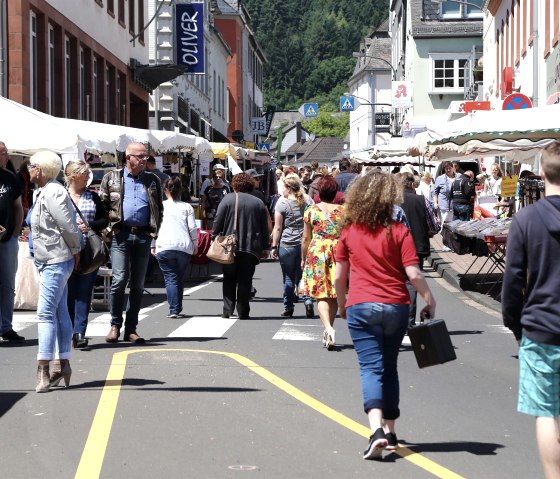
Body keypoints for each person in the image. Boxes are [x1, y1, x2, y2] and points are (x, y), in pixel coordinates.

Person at [334, 171, 436, 459]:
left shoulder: (350, 230)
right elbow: (413, 273)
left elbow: (340, 275)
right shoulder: (399, 231)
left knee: (370, 368)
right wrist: (430, 299)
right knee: (389, 367)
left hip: (361, 304)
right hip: (395, 305)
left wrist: (342, 303)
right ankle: (390, 431)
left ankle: (376, 430)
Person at [502, 141, 560, 479]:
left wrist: (514, 322)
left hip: (541, 325)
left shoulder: (525, 219)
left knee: (546, 410)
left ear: (541, 172)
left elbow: (512, 279)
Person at [28, 150, 82, 393]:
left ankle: (43, 368)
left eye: (30, 165)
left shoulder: (53, 191)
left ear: (39, 169)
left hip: (57, 259)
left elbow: (68, 226)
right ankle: (64, 363)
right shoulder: (41, 191)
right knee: (59, 310)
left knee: (45, 312)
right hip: (47, 258)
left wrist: (76, 249)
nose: (28, 169)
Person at [100, 142, 163, 344]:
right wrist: (109, 229)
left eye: (146, 156)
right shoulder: (112, 177)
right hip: (121, 235)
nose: (145, 160)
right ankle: (115, 325)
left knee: (137, 284)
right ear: (128, 158)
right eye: (141, 156)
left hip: (143, 235)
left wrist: (154, 233)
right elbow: (102, 206)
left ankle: (131, 329)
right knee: (119, 280)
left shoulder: (152, 179)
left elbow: (158, 208)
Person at [212, 173, 269, 319]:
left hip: (230, 246)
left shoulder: (228, 199)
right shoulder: (258, 202)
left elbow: (218, 220)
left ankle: (227, 310)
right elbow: (264, 227)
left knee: (229, 277)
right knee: (245, 279)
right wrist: (265, 247)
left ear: (234, 185)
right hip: (251, 247)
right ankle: (243, 311)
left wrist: (214, 235)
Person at [65, 160, 108, 349]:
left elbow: (105, 219)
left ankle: (79, 332)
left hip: (89, 250)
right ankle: (68, 330)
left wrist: (90, 226)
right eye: (84, 174)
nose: (87, 177)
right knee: (67, 292)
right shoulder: (61, 196)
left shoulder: (93, 196)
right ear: (73, 176)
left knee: (83, 292)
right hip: (65, 249)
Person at [301, 176, 344, 350]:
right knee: (333, 293)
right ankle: (329, 329)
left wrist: (303, 258)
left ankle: (328, 328)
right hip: (338, 250)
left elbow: (305, 238)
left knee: (320, 293)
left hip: (317, 252)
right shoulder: (344, 211)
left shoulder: (311, 210)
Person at [271, 173, 314, 318]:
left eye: (284, 187)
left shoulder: (282, 202)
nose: (282, 190)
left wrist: (274, 246)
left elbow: (277, 227)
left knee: (288, 277)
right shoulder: (308, 200)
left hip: (287, 244)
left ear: (288, 188)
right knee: (305, 276)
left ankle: (288, 306)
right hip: (306, 242)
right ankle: (308, 301)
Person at [154, 176, 198, 318]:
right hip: (184, 246)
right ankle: (176, 307)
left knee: (171, 278)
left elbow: (153, 227)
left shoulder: (159, 206)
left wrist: (152, 244)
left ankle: (174, 309)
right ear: (180, 190)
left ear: (165, 190)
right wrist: (195, 243)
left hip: (164, 245)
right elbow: (192, 228)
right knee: (179, 277)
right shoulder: (187, 207)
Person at [397, 172, 431, 327]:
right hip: (417, 247)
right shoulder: (421, 200)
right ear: (411, 185)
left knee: (396, 283)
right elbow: (434, 225)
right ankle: (408, 322)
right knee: (412, 284)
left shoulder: (391, 203)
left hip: (395, 248)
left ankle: (396, 320)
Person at [0, 141, 25, 343]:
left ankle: (6, 327)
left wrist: (16, 233)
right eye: (2, 153)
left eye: (6, 153)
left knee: (8, 285)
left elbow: (18, 207)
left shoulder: (10, 178)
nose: (5, 157)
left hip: (7, 240)